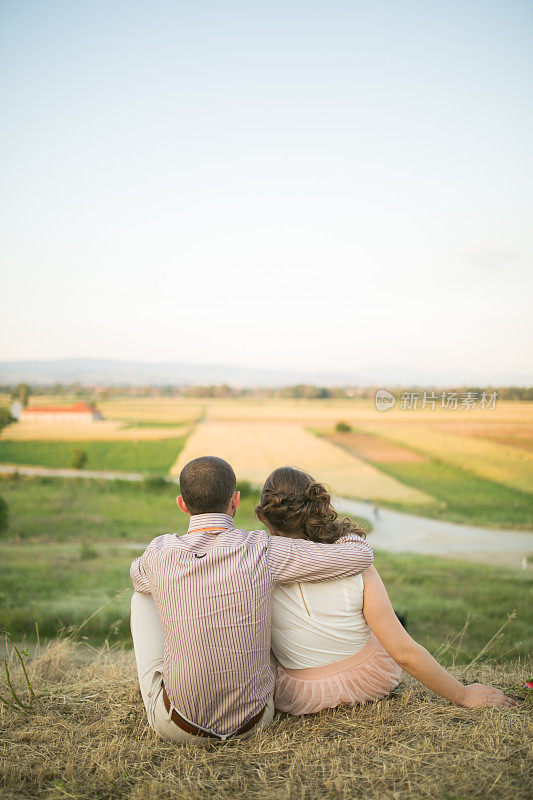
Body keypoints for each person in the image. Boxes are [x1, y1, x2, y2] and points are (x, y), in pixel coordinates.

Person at [130, 456, 374, 744]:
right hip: (255, 723)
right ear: (235, 500)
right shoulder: (261, 549)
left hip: (180, 729)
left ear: (182, 504)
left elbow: (136, 576)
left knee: (141, 597)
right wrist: (339, 534)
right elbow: (361, 555)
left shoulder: (160, 552)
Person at [255, 467, 518, 714]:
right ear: (317, 509)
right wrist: (463, 695)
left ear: (262, 516)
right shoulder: (355, 565)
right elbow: (403, 652)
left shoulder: (254, 569)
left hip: (302, 695)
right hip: (367, 683)